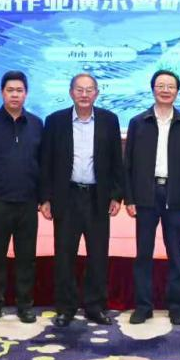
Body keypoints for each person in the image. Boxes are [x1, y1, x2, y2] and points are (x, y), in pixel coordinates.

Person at [40, 74, 124, 327]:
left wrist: (116, 195)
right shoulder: (55, 121)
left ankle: (95, 307)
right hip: (67, 196)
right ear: (71, 92)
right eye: (79, 89)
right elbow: (46, 162)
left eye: (89, 90)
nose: (84, 94)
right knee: (65, 254)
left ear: (97, 93)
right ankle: (65, 308)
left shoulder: (109, 120)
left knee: (98, 255)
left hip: (98, 196)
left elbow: (116, 161)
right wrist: (45, 198)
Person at [124, 69, 180, 325]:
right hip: (146, 194)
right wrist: (129, 198)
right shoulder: (138, 122)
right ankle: (143, 306)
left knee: (176, 255)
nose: (165, 90)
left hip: (176, 195)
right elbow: (128, 163)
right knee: (143, 254)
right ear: (152, 89)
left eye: (170, 86)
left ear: (177, 91)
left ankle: (175, 306)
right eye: (161, 86)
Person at [0, 71, 44, 324]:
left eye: (19, 90)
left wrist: (43, 197)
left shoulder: (36, 124)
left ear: (26, 94)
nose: (15, 94)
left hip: (28, 202)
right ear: (2, 92)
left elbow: (43, 163)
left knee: (27, 258)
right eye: (10, 90)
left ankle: (25, 305)